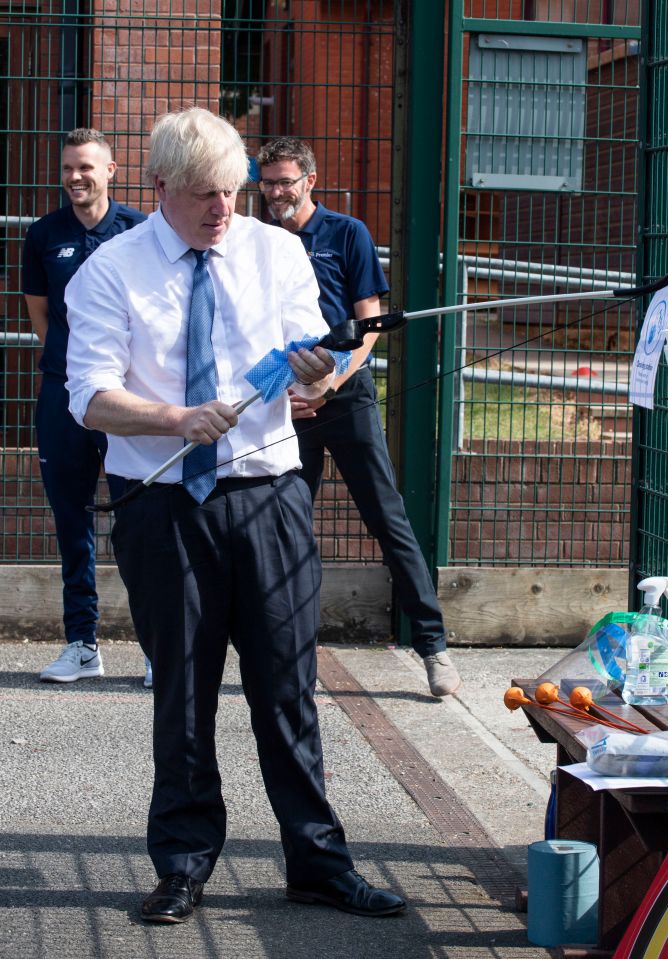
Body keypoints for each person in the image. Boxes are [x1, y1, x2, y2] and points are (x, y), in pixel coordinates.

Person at [64, 107, 406, 923]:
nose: (223, 208)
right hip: (164, 502)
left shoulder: (277, 251)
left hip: (268, 495)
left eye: (232, 190)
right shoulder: (110, 271)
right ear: (157, 191)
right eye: (202, 195)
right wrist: (178, 418)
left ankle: (317, 859)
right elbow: (88, 396)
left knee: (287, 685)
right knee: (181, 688)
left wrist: (319, 376)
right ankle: (182, 862)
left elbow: (308, 365)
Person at [256, 137, 461, 698]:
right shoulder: (257, 241)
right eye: (267, 181)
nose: (275, 191)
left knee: (386, 517)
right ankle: (290, 655)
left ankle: (434, 646)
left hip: (343, 396)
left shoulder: (347, 234)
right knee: (286, 527)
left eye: (285, 181)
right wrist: (289, 391)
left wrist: (329, 384)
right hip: (285, 402)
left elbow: (368, 328)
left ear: (310, 181)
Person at [22, 128, 152, 688]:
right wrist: (71, 373)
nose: (77, 177)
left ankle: (157, 647)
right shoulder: (44, 234)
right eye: (70, 168)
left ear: (112, 170)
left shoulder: (141, 231)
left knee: (143, 520)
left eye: (88, 168)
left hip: (126, 397)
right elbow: (43, 317)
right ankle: (82, 644)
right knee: (72, 520)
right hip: (63, 393)